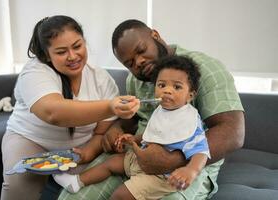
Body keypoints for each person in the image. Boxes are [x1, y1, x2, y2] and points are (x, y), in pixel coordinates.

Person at [58, 19, 245, 200]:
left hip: (187, 163)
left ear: (155, 35)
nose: (138, 62)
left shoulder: (204, 69)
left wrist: (172, 161)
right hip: (136, 156)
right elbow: (132, 121)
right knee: (74, 196)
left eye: (141, 50)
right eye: (129, 63)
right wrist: (116, 130)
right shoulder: (136, 80)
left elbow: (232, 132)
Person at [0, 15, 140, 200]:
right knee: (19, 184)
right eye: (61, 52)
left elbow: (101, 132)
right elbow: (53, 112)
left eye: (77, 46)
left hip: (77, 148)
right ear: (46, 55)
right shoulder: (35, 71)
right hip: (31, 139)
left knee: (84, 189)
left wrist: (87, 153)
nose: (73, 56)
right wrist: (111, 106)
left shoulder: (101, 79)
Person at [54, 55, 211, 200]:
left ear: (191, 95)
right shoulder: (162, 110)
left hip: (161, 176)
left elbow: (201, 151)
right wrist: (133, 139)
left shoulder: (189, 120)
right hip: (139, 160)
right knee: (111, 163)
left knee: (120, 196)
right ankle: (77, 182)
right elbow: (155, 134)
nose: (167, 90)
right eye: (161, 85)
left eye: (177, 87)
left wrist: (191, 170)